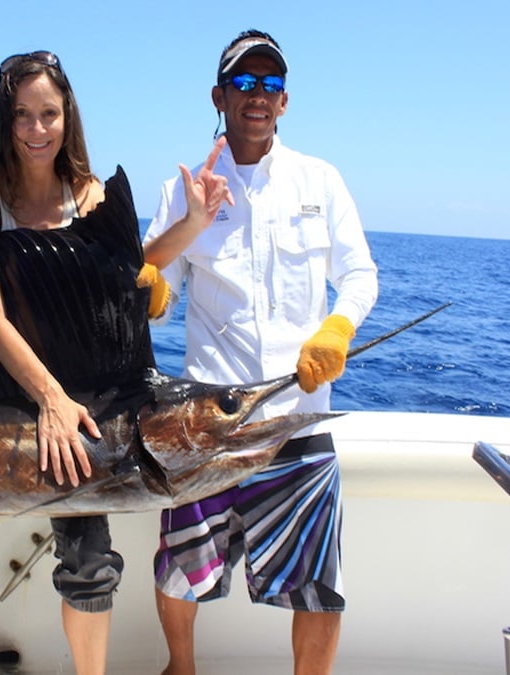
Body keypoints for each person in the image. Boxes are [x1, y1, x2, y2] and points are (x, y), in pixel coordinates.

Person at [143, 30, 379, 675]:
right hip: (209, 424)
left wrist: (336, 329)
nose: (257, 95)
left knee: (316, 584)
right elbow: (155, 286)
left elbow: (360, 276)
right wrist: (151, 285)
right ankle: (181, 668)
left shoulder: (319, 180)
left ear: (285, 101)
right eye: (243, 83)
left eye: (269, 84)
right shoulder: (184, 188)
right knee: (179, 570)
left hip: (295, 416)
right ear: (219, 97)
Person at [0, 51, 124, 675]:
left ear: (68, 117)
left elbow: (123, 284)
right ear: (3, 121)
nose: (37, 130)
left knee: (90, 555)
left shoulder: (90, 195)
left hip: (73, 400)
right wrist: (48, 398)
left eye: (49, 113)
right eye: (22, 116)